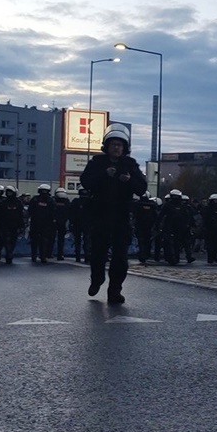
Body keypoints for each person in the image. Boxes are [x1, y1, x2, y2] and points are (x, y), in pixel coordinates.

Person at [80, 123, 147, 304]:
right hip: (100, 214)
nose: (117, 148)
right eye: (113, 144)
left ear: (124, 148)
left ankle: (115, 290)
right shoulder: (97, 162)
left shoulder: (130, 165)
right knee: (98, 252)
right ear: (107, 146)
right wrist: (103, 175)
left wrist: (130, 180)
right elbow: (85, 181)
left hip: (121, 215)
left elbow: (142, 188)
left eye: (120, 145)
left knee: (120, 256)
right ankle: (97, 280)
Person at [27, 184, 55, 264]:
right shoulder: (36, 200)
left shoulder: (49, 201)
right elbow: (30, 211)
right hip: (38, 223)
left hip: (44, 224)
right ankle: (37, 256)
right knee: (38, 240)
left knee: (42, 240)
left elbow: (53, 212)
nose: (44, 192)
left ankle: (40, 256)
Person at [52, 188, 71, 260]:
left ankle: (49, 253)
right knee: (60, 239)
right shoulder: (66, 202)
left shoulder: (53, 200)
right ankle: (60, 254)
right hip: (62, 223)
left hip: (54, 222)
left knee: (52, 238)